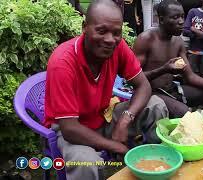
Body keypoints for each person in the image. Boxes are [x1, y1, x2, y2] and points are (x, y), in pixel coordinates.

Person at [43, 0, 168, 179]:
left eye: (116, 33)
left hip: (103, 116)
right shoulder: (62, 63)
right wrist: (115, 146)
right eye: (101, 31)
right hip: (72, 129)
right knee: (85, 162)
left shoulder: (118, 47)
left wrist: (125, 120)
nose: (110, 40)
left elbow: (143, 86)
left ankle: (156, 167)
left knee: (155, 105)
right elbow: (70, 128)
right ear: (84, 27)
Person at [133, 0, 203, 118]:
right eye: (175, 17)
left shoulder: (178, 42)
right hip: (150, 93)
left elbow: (190, 77)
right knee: (185, 114)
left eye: (182, 16)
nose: (181, 22)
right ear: (161, 20)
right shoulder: (145, 39)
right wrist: (163, 69)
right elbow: (133, 79)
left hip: (170, 89)